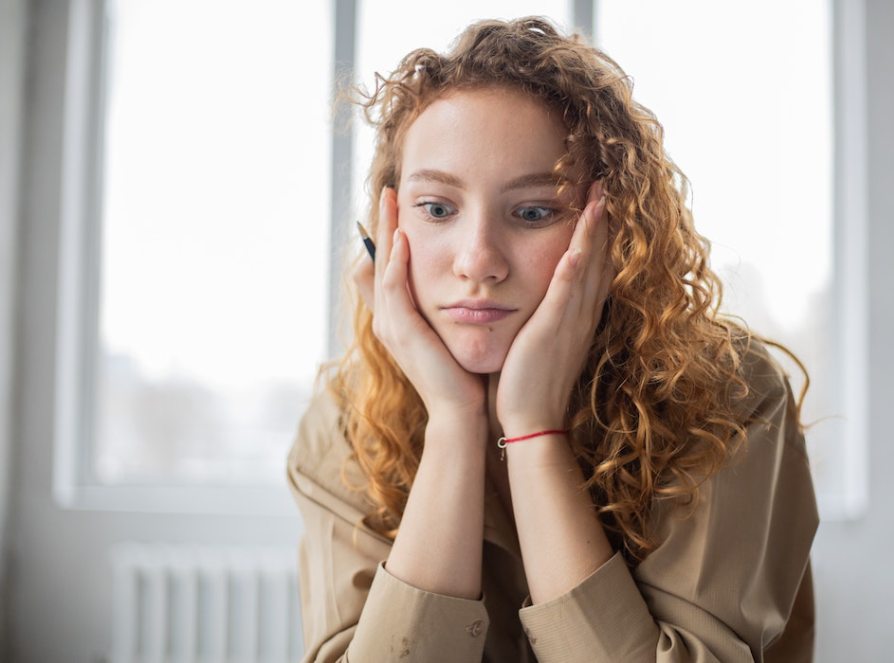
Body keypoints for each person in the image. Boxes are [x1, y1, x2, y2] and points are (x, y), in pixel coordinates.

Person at [287, 16, 819, 663]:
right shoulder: (345, 421)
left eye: (534, 211)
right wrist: (455, 421)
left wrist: (534, 430)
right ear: (387, 228)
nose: (478, 259)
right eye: (437, 208)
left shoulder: (728, 398)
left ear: (611, 230)